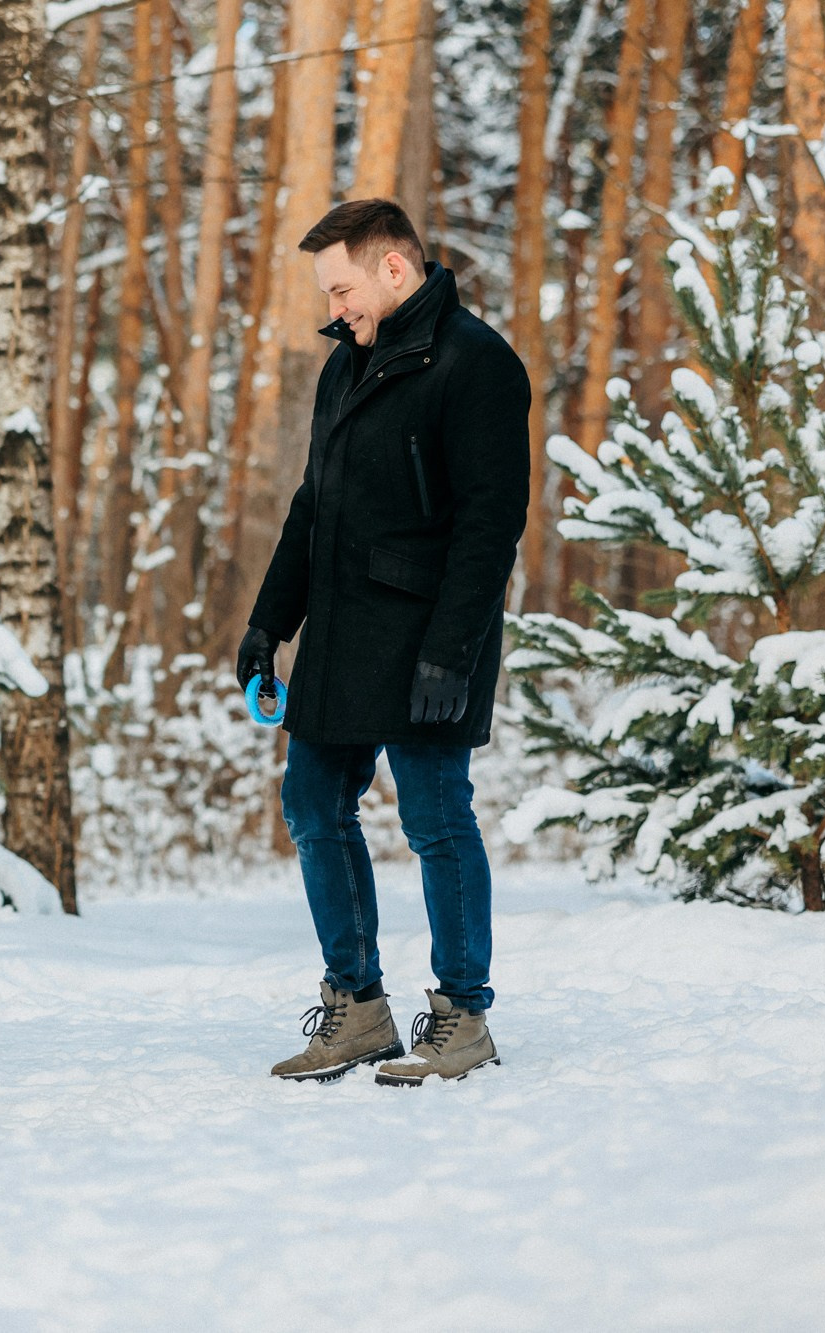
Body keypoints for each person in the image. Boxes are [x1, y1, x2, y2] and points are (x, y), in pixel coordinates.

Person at [236, 199, 529, 1087]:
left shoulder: (477, 365)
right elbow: (311, 504)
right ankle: (358, 1007)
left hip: (431, 637)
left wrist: (453, 649)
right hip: (341, 632)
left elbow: (491, 525)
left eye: (343, 287)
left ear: (393, 270)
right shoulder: (345, 366)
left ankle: (462, 1012)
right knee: (313, 801)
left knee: (436, 819)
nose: (335, 307)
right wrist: (266, 623)